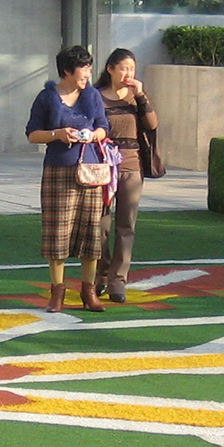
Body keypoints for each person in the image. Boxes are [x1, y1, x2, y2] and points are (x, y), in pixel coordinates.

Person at [25, 45, 111, 313]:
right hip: (58, 170)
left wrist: (92, 135)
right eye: (82, 68)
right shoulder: (46, 97)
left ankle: (88, 292)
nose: (87, 73)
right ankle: (57, 293)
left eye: (88, 67)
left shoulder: (93, 95)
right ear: (66, 71)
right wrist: (58, 134)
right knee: (57, 234)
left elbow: (103, 128)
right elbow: (32, 134)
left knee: (91, 234)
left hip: (90, 171)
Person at [96, 48, 158, 303]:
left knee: (126, 225)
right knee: (100, 226)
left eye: (131, 68)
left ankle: (118, 281)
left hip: (131, 166)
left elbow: (152, 124)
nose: (127, 73)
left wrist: (141, 94)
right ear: (110, 69)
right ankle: (99, 276)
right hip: (102, 168)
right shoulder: (96, 97)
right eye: (123, 68)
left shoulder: (136, 98)